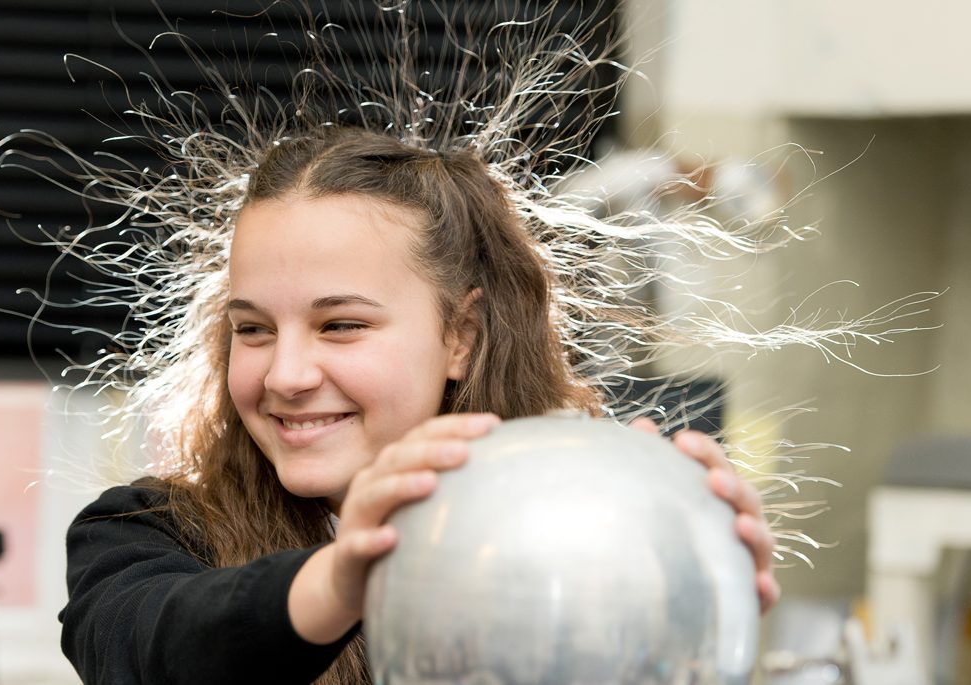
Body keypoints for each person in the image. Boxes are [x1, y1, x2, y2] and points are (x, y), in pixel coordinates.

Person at [58, 128, 779, 685]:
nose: (286, 372)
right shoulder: (139, 536)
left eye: (341, 324)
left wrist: (686, 599)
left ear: (460, 336)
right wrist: (347, 574)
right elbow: (164, 649)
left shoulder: (568, 541)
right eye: (253, 329)